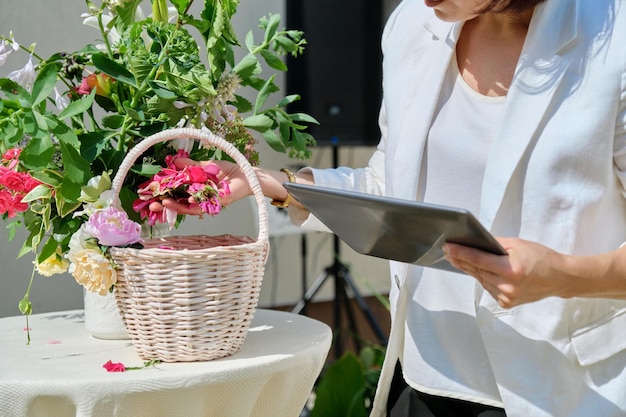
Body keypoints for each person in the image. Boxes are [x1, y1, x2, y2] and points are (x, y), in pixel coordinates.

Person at [161, 0, 626, 415]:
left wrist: (564, 275)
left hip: (563, 390)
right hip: (426, 379)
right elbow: (392, 187)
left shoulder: (615, 39)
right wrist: (278, 185)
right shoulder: (411, 25)